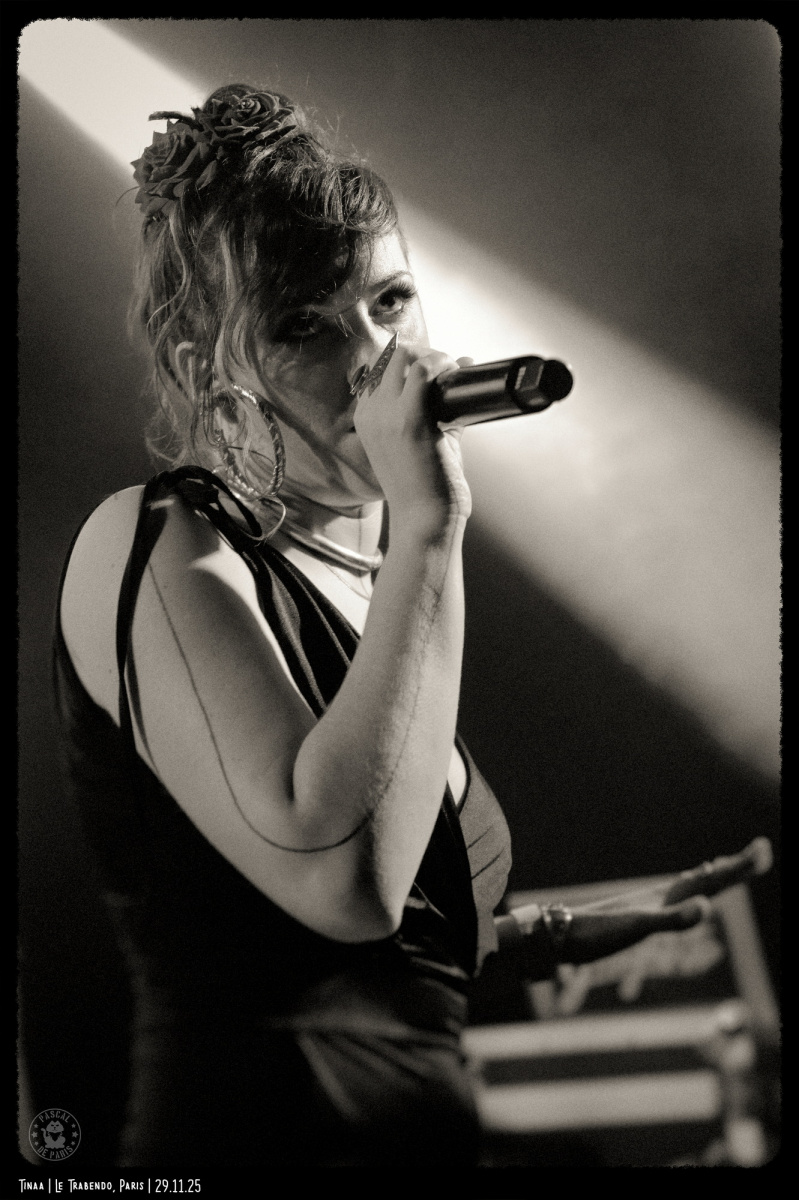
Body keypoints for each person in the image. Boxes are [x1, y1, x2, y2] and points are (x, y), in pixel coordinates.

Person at [53, 84, 771, 1169]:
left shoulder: (374, 578)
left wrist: (547, 935)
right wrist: (431, 527)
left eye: (389, 302)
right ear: (208, 375)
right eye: (303, 326)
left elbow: (363, 964)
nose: (376, 358)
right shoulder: (159, 546)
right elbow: (343, 886)